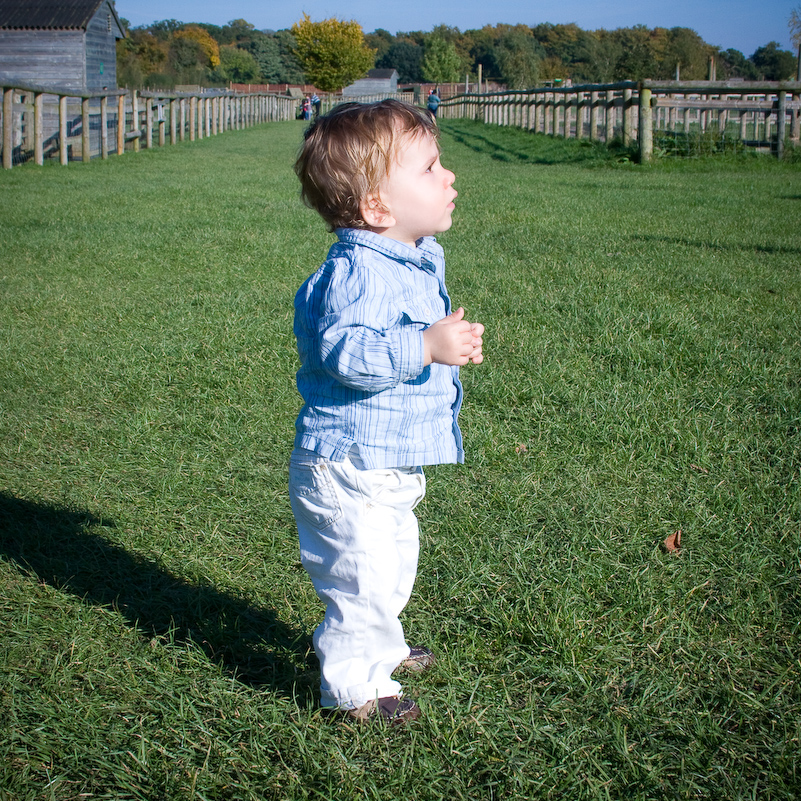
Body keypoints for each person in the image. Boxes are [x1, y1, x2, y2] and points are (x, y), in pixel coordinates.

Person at [290, 100, 484, 726]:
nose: (449, 177)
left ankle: (385, 648)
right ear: (378, 208)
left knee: (392, 565)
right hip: (349, 465)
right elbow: (346, 351)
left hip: (386, 459)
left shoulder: (410, 256)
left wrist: (440, 344)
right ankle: (353, 691)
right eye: (430, 168)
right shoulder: (357, 272)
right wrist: (424, 345)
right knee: (360, 579)